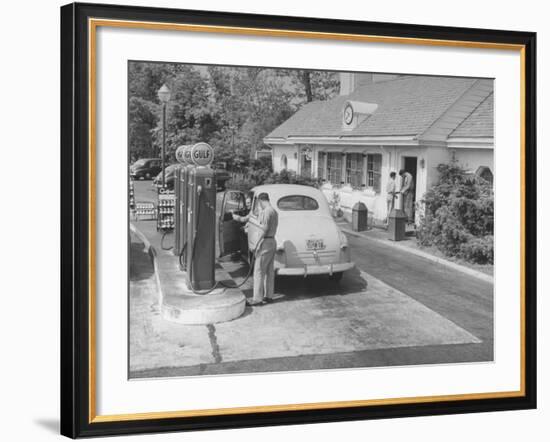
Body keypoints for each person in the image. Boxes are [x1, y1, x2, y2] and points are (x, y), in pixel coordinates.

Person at [233, 192, 279, 306]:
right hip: (272, 241)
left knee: (258, 271)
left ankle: (257, 299)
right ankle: (269, 296)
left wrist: (257, 244)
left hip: (265, 242)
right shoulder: (274, 211)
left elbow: (264, 229)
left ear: (261, 201)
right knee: (269, 271)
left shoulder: (266, 211)